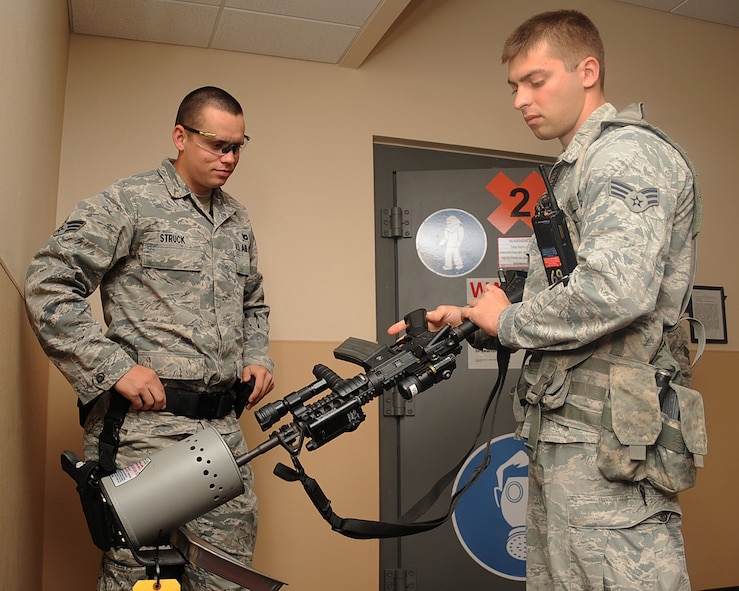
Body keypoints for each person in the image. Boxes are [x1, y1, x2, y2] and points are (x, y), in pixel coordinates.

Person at [389, 10, 702, 591]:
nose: (520, 99)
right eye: (514, 86)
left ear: (588, 70)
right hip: (569, 438)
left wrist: (506, 320)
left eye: (535, 80)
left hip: (607, 448)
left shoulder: (624, 156)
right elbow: (562, 293)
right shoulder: (573, 170)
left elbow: (617, 289)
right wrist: (470, 318)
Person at [25, 86, 274, 590]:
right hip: (145, 433)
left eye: (238, 146)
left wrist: (257, 355)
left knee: (229, 578)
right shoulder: (130, 202)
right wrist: (114, 368)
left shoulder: (237, 218)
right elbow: (48, 283)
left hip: (222, 430)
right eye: (216, 144)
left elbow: (253, 302)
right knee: (141, 577)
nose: (229, 158)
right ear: (180, 136)